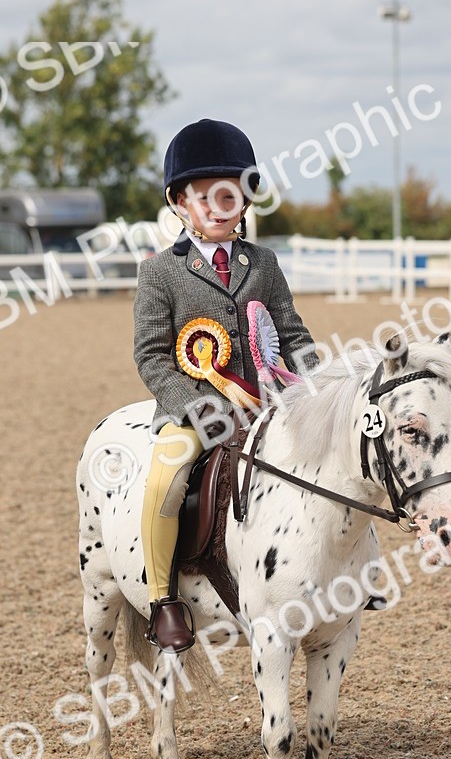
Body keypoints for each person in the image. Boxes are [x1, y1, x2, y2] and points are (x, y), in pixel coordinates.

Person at [134, 118, 317, 653]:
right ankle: (163, 598)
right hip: (195, 409)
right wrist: (197, 409)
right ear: (179, 202)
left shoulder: (263, 263)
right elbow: (150, 355)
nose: (220, 206)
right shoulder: (159, 274)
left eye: (231, 195)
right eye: (206, 196)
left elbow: (293, 332)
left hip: (268, 403)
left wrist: (312, 386)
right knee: (165, 480)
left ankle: (343, 575)